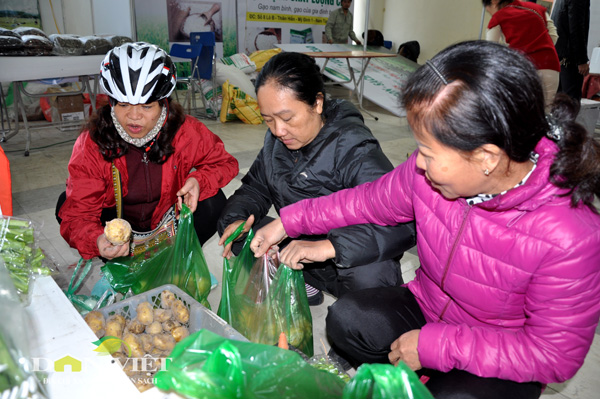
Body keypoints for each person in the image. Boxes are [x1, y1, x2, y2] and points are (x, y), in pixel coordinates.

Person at [251, 41, 600, 398]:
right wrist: (289, 222)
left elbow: (553, 355)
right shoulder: (429, 177)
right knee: (347, 320)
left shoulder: (570, 235)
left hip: (498, 346)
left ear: (487, 157)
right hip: (429, 305)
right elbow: (368, 200)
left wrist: (435, 347)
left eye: (430, 152)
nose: (418, 163)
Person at [217, 51, 415, 306]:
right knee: (240, 232)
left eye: (287, 118)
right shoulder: (275, 142)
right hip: (293, 248)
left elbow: (402, 224)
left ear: (317, 103)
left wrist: (328, 248)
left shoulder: (353, 147)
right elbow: (255, 188)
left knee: (372, 273)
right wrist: (237, 219)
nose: (279, 130)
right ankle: (303, 282)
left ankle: (355, 320)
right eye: (268, 120)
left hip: (341, 260)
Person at [57, 42, 239, 260]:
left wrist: (199, 179)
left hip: (168, 223)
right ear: (111, 101)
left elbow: (224, 163)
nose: (134, 116)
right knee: (64, 203)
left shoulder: (186, 131)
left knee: (213, 201)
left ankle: (175, 259)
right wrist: (97, 240)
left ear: (163, 103)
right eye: (124, 105)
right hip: (121, 230)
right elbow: (78, 214)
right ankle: (121, 260)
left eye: (146, 106)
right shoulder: (92, 142)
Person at [483, 0, 560, 107]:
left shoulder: (498, 17)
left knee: (521, 112)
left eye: (489, 10)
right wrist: (538, 44)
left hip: (522, 68)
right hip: (550, 65)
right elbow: (554, 36)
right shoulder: (538, 9)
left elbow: (491, 51)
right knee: (545, 112)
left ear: (493, 3)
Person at [551, 0, 591, 102]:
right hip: (570, 60)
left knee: (560, 104)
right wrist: (581, 60)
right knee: (570, 104)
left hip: (559, 57)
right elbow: (576, 29)